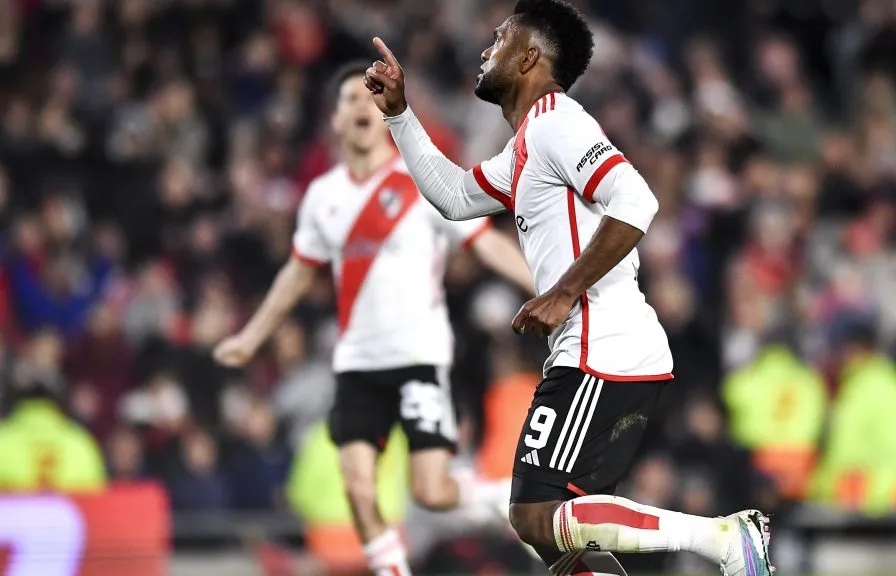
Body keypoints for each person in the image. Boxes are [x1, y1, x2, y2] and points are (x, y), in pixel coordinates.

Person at [362, 1, 774, 575]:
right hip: (602, 347)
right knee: (560, 540)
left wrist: (562, 291)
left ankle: (722, 538)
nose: (486, 49)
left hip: (600, 344)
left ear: (530, 55)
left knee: (534, 515)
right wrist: (401, 116)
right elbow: (455, 197)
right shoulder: (525, 147)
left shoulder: (558, 120)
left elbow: (637, 201)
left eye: (502, 38)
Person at [213, 61, 535, 576]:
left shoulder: (423, 180)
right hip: (358, 363)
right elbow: (297, 275)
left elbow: (485, 244)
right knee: (359, 490)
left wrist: (548, 287)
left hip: (418, 358)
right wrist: (251, 337)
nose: (361, 107)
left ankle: (498, 498)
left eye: (370, 98)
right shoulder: (323, 198)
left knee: (431, 491)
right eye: (349, 101)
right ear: (335, 121)